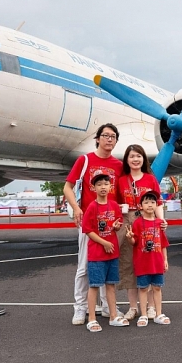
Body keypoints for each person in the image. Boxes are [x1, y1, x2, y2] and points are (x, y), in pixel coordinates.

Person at [62, 123, 123, 325]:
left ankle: (107, 307)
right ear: (97, 138)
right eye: (105, 135)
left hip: (110, 225)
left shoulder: (118, 165)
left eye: (113, 136)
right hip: (89, 223)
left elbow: (121, 194)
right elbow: (68, 187)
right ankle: (80, 308)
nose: (109, 139)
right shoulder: (85, 160)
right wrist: (76, 208)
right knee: (84, 268)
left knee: (109, 266)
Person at [114, 144, 167, 322]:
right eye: (131, 156)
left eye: (138, 156)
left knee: (150, 263)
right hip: (129, 223)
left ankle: (151, 306)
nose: (135, 159)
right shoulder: (121, 180)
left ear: (143, 159)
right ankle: (133, 307)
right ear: (126, 160)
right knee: (129, 265)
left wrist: (161, 221)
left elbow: (158, 202)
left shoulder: (151, 179)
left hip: (149, 222)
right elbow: (115, 204)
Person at [81, 173, 128, 332]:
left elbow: (118, 223)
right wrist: (104, 242)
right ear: (93, 188)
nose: (103, 187)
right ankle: (92, 318)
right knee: (94, 286)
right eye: (99, 184)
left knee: (110, 285)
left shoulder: (114, 205)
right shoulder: (92, 207)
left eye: (105, 184)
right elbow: (87, 230)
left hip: (112, 252)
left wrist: (116, 227)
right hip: (97, 254)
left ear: (110, 187)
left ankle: (113, 315)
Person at [126, 188, 170, 326]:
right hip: (142, 262)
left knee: (157, 288)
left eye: (153, 202)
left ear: (156, 205)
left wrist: (165, 259)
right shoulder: (138, 223)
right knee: (143, 288)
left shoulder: (159, 223)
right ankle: (143, 314)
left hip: (157, 262)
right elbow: (134, 242)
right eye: (147, 202)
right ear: (141, 206)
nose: (150, 205)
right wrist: (129, 238)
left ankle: (158, 313)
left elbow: (163, 243)